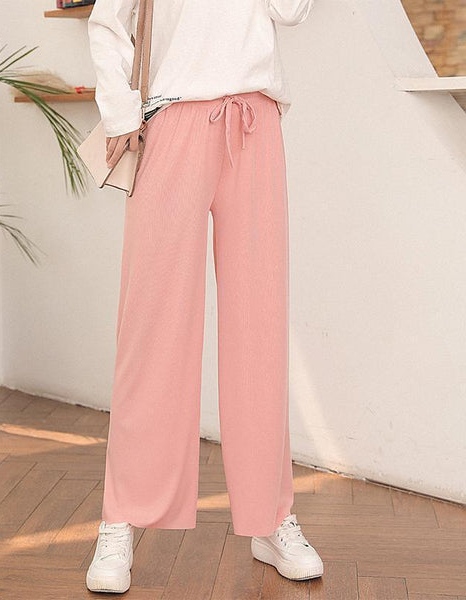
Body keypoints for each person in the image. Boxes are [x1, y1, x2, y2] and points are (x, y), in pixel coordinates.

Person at [85, 0, 323, 593]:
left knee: (260, 328)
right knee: (151, 328)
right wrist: (119, 114)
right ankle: (121, 515)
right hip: (173, 120)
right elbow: (108, 22)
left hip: (256, 118)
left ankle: (270, 517)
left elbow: (292, 10)